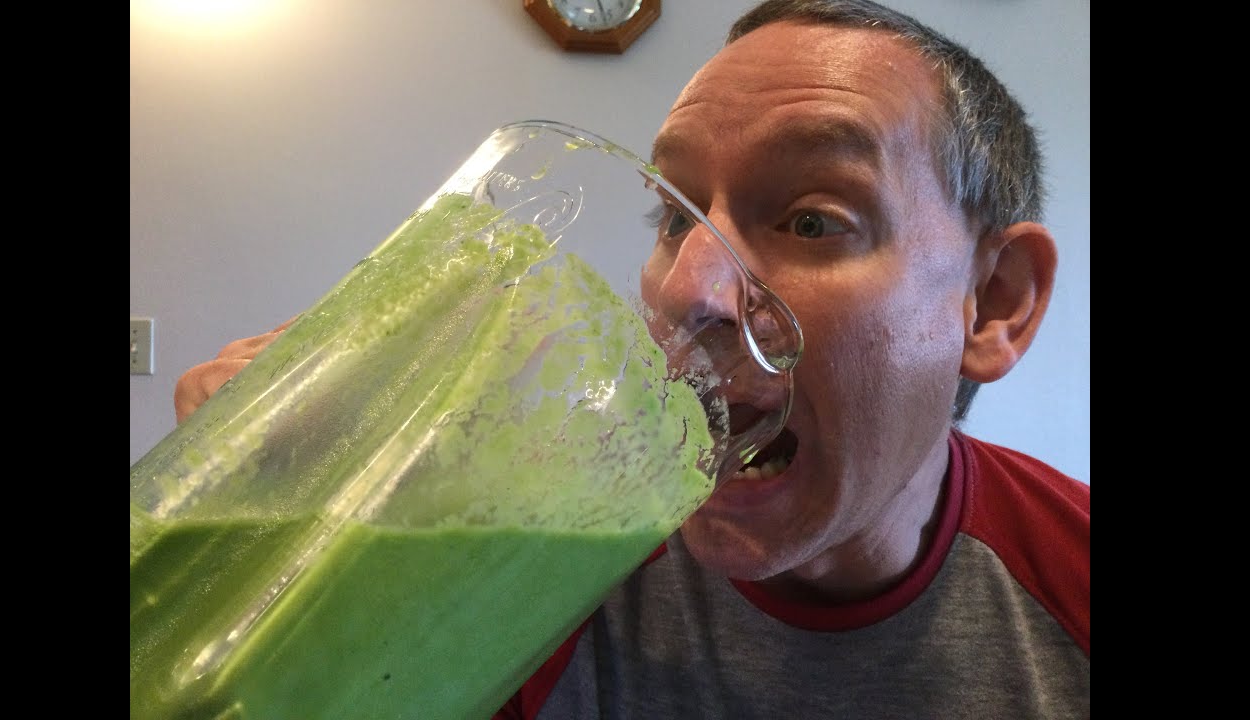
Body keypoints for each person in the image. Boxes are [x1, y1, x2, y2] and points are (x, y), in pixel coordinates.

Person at [173, 0, 1089, 717]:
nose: (686, 289)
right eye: (672, 217)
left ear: (995, 302)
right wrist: (272, 525)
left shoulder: (1067, 579)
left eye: (813, 221)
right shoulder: (532, 571)